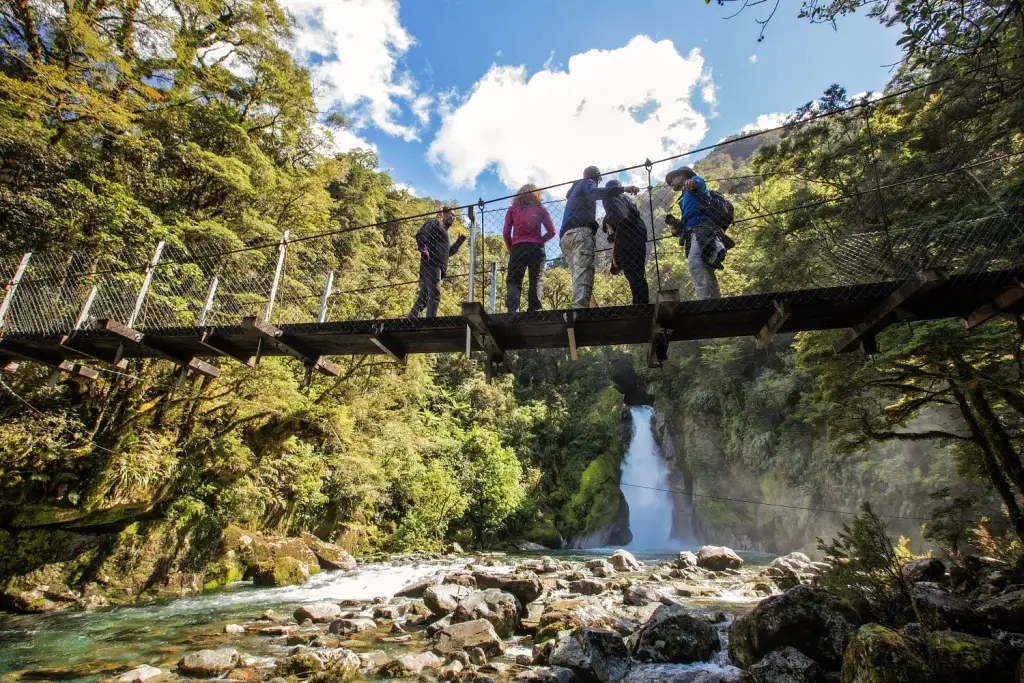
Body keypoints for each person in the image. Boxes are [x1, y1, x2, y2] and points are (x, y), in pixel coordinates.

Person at [560, 166, 640, 308]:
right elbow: (594, 192)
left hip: (565, 236)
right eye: (598, 179)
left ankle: (583, 308)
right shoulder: (587, 182)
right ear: (596, 177)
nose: (597, 182)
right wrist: (623, 189)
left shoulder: (573, 193)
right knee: (583, 273)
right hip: (580, 231)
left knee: (577, 275)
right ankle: (579, 313)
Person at [665, 166, 721, 300]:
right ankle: (716, 301)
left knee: (695, 262)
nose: (672, 182)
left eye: (673, 178)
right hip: (694, 232)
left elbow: (699, 184)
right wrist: (675, 225)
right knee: (705, 266)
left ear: (683, 175)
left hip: (703, 228)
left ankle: (705, 303)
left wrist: (692, 184)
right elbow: (687, 221)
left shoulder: (694, 180)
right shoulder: (684, 198)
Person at [503, 184, 555, 313]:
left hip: (518, 247)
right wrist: (540, 241)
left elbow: (505, 233)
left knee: (514, 279)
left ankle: (513, 309)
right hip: (536, 248)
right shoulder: (541, 209)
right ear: (536, 195)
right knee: (536, 279)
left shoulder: (512, 209)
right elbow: (552, 231)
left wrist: (512, 248)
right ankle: (534, 308)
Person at [408, 206, 466, 319]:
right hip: (432, 265)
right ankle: (431, 322)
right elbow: (421, 234)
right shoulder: (435, 222)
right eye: (451, 214)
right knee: (434, 296)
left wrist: (459, 241)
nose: (453, 218)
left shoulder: (444, 232)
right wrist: (424, 251)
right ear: (443, 213)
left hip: (434, 266)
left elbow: (447, 253)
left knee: (424, 298)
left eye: (455, 216)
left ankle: (411, 319)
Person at [601, 180, 649, 305]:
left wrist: (609, 225)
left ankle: (638, 305)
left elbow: (618, 216)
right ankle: (644, 303)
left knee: (631, 272)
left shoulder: (608, 197)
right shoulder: (628, 200)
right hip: (639, 235)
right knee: (639, 272)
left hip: (625, 237)